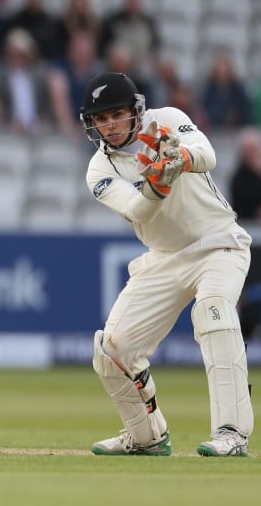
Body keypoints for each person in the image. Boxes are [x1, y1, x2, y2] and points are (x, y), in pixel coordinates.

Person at [80, 72, 252, 457]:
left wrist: (180, 156)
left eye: (117, 115)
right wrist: (158, 183)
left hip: (218, 244)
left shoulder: (169, 119)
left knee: (214, 314)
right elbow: (135, 208)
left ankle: (232, 434)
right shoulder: (99, 170)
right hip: (163, 258)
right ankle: (146, 438)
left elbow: (208, 153)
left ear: (135, 111)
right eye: (101, 119)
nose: (109, 126)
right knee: (113, 350)